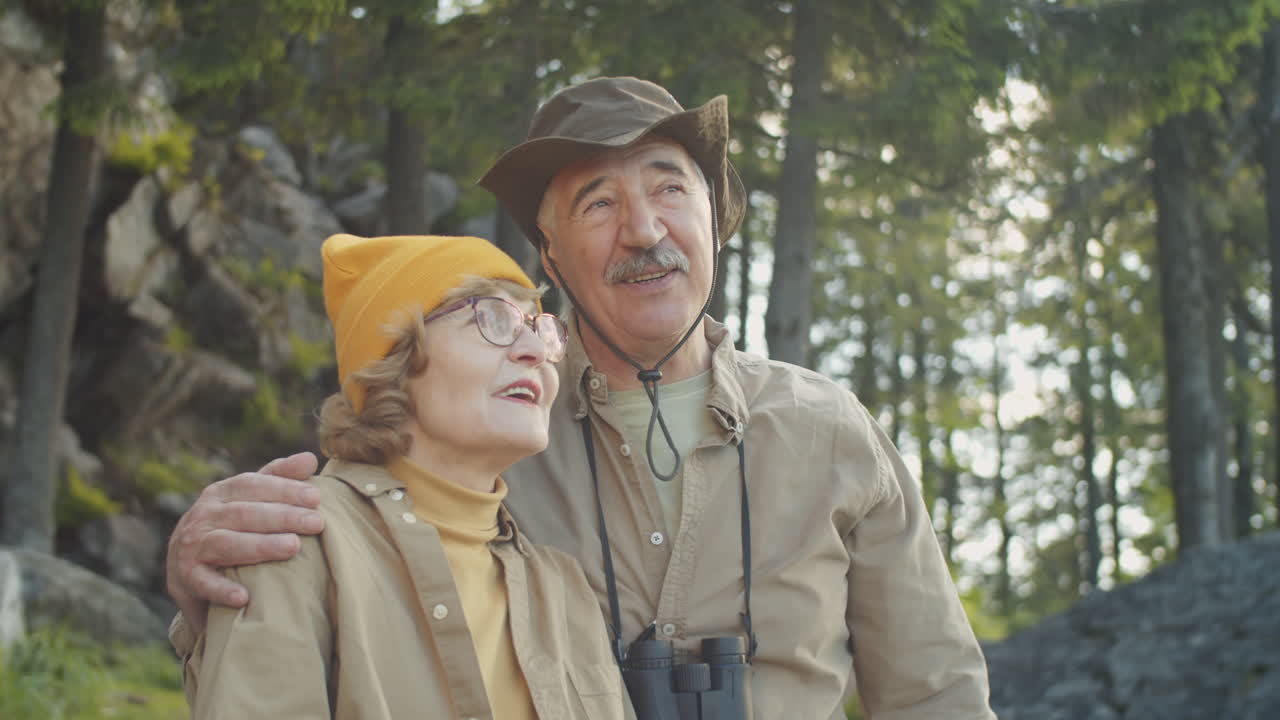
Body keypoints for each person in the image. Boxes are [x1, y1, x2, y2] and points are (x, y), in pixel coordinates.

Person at [168, 77, 996, 719]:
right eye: (599, 202)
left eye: (671, 189)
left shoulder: (832, 434)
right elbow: (332, 559)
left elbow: (935, 695)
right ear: (552, 260)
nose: (643, 230)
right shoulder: (486, 438)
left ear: (718, 221)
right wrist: (200, 575)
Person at [184, 233, 628, 719]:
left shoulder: (566, 590)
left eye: (539, 328)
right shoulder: (291, 538)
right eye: (494, 320)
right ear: (394, 359)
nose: (534, 350)